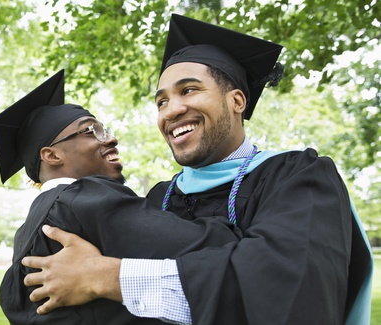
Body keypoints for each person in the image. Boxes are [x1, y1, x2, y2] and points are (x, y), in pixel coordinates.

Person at [21, 15, 373, 325]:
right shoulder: (160, 197)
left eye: (189, 90)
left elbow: (290, 295)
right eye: (161, 101)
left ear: (237, 101)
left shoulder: (297, 177)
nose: (171, 110)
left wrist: (108, 277)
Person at [0, 69, 241, 324]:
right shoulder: (84, 199)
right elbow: (213, 247)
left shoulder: (29, 230)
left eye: (105, 129)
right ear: (52, 156)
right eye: (91, 131)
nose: (111, 138)